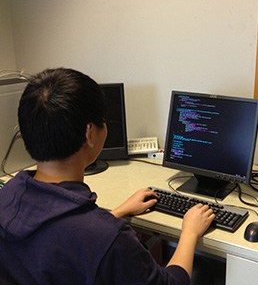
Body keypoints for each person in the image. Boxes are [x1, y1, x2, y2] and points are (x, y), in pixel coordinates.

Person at [0, 68, 215, 284]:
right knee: (202, 269)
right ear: (90, 133)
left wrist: (117, 212)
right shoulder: (109, 238)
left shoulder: (8, 194)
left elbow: (60, 236)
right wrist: (189, 232)